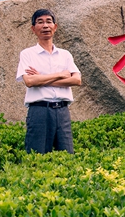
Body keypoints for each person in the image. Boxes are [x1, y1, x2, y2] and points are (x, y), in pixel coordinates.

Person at [16, 9, 81, 154]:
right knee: (37, 156)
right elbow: (30, 81)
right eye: (40, 22)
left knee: (67, 156)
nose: (45, 26)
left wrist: (41, 78)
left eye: (49, 21)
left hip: (63, 111)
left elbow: (76, 80)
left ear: (55, 27)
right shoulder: (27, 54)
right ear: (33, 29)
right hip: (39, 111)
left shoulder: (65, 55)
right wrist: (60, 75)